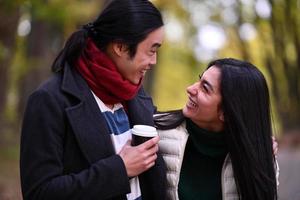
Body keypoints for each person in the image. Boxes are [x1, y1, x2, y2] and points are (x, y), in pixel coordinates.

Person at [20, 0, 166, 199]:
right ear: (121, 47)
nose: (154, 61)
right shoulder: (49, 100)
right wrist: (119, 170)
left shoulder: (136, 94)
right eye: (151, 49)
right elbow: (40, 193)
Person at [155, 58, 278, 200]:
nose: (190, 89)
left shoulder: (258, 158)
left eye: (205, 88)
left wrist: (262, 156)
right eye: (199, 80)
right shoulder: (158, 135)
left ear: (227, 112)